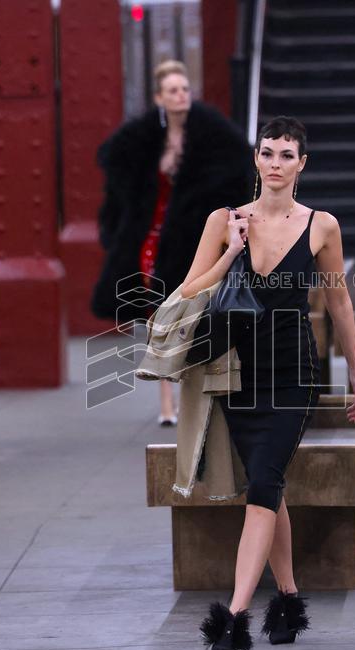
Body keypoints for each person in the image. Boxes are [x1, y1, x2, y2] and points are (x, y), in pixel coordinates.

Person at [180, 116, 355, 650]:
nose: (276, 164)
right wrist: (230, 253)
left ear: (302, 163)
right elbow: (188, 291)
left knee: (262, 484)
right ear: (256, 158)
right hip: (237, 376)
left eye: (287, 155)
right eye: (267, 153)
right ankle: (287, 600)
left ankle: (235, 618)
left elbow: (338, 301)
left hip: (293, 376)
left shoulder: (321, 226)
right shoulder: (225, 220)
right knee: (270, 486)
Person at [91, 60, 253, 426]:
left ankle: (186, 390)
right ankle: (166, 399)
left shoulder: (210, 134)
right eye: (173, 90)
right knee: (159, 312)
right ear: (159, 97)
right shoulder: (145, 140)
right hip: (152, 236)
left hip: (192, 237)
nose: (181, 96)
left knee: (191, 311)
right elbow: (122, 185)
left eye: (184, 89)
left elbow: (235, 169)